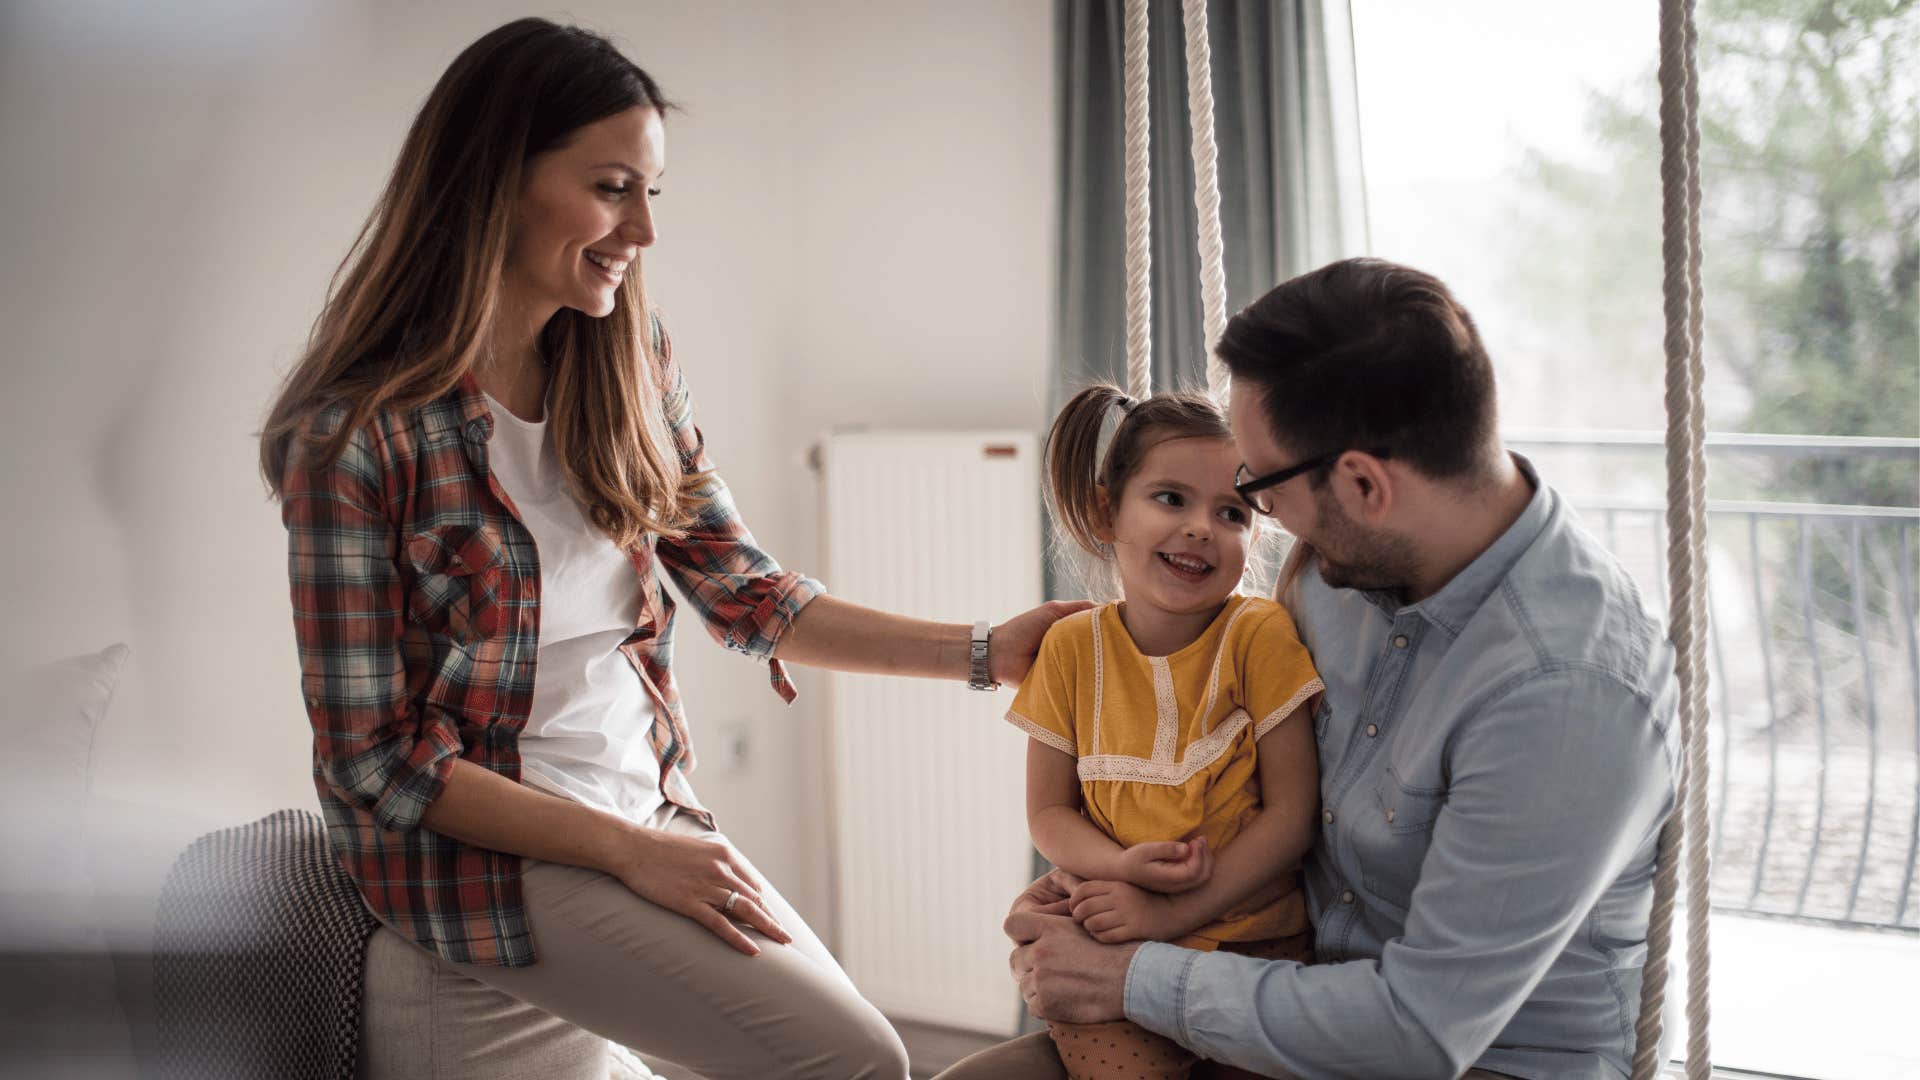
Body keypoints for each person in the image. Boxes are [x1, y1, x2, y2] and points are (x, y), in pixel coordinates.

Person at [258, 18, 1084, 1080]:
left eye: (654, 192)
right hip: (491, 862)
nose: (643, 229)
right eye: (612, 188)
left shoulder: (627, 362)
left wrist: (990, 650)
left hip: (645, 814)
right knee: (855, 1061)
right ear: (498, 180)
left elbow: (747, 596)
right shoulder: (356, 438)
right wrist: (629, 854)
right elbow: (373, 762)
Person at [940, 258, 1679, 1080]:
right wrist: (1085, 890)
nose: (1257, 521)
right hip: (1277, 990)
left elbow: (1417, 1034)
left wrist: (1129, 972)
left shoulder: (1564, 692)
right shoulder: (1340, 572)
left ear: (1363, 483)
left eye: (1255, 490)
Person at [1007, 384, 1322, 1079]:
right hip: (1109, 956)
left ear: (1256, 535)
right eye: (1171, 498)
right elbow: (1049, 812)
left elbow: (1293, 816)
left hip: (1253, 955)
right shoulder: (1067, 649)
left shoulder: (1259, 634)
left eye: (1231, 512)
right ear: (1105, 509)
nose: (1201, 527)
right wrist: (1120, 872)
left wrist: (1166, 914)